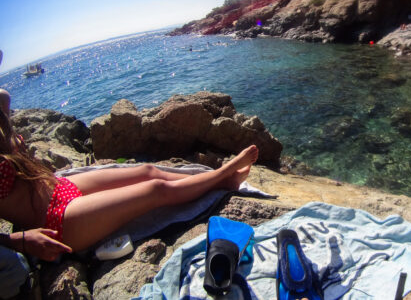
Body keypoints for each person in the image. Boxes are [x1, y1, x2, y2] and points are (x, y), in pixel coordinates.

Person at [0, 108, 259, 252]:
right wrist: (16, 241)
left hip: (59, 187)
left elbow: (3, 97)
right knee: (155, 190)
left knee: (148, 171)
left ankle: (222, 181)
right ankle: (222, 175)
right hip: (56, 219)